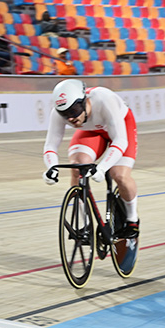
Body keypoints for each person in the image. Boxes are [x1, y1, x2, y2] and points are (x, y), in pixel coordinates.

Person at [42, 79, 140, 238]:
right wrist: (51, 168)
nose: (70, 119)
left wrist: (101, 168)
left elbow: (120, 140)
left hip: (121, 127)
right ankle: (85, 224)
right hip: (92, 131)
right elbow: (51, 145)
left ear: (84, 101)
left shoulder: (104, 99)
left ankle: (132, 219)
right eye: (65, 115)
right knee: (77, 167)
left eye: (73, 111)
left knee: (119, 175)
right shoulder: (59, 112)